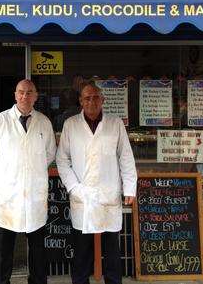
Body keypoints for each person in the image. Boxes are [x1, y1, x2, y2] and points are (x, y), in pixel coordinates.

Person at [56, 82, 137, 284]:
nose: (91, 101)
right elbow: (62, 159)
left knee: (111, 251)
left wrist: (129, 187)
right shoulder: (71, 125)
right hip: (82, 195)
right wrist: (74, 188)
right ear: (80, 101)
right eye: (87, 98)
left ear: (103, 100)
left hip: (108, 192)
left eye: (95, 97)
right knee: (81, 251)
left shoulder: (115, 123)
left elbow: (125, 156)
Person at [0, 79, 56, 284]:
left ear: (36, 96)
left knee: (38, 249)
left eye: (29, 92)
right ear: (15, 95)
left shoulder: (44, 123)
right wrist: (10, 172)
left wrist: (30, 170)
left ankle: (38, 281)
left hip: (34, 195)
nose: (25, 96)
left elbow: (49, 155)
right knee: (3, 249)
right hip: (8, 196)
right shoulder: (0, 121)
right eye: (21, 92)